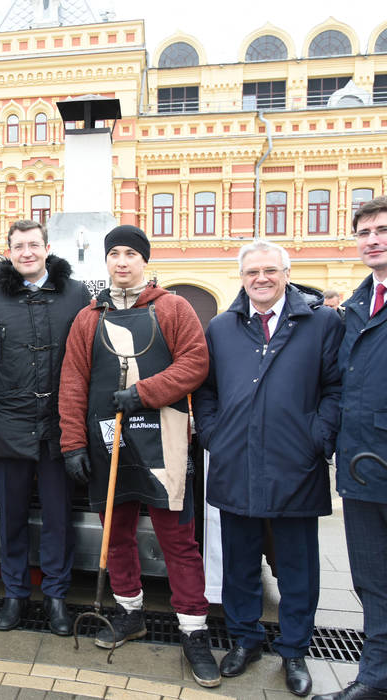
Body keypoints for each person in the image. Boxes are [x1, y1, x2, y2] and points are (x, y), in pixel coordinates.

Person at [59, 226, 220, 688]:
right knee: (117, 535)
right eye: (115, 254)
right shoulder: (89, 318)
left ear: (144, 261)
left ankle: (193, 630)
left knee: (178, 540)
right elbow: (73, 383)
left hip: (163, 440)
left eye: (131, 253)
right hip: (106, 442)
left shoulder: (173, 307)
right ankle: (130, 613)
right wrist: (72, 444)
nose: (122, 261)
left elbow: (195, 363)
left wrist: (143, 394)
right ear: (106, 262)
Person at [193, 240, 343, 697]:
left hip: (295, 465)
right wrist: (214, 435)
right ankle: (245, 639)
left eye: (270, 271)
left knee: (297, 566)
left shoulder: (320, 323)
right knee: (239, 563)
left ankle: (294, 649)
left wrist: (318, 437)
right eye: (252, 271)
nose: (261, 278)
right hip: (235, 463)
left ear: (286, 273)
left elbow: (336, 388)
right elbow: (207, 390)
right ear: (242, 277)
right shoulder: (221, 327)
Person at [0, 219, 90, 635]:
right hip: (8, 425)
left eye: (33, 245)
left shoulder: (75, 294)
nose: (27, 253)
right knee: (12, 518)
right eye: (18, 246)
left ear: (48, 247)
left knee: (59, 518)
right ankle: (14, 595)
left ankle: (56, 597)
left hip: (61, 427)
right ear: (9, 252)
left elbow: (90, 361)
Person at [313, 197, 387, 700]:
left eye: (383, 229)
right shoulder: (357, 306)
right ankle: (375, 677)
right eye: (364, 232)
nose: (373, 239)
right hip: (362, 468)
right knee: (372, 580)